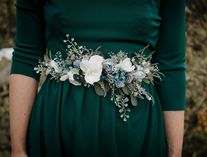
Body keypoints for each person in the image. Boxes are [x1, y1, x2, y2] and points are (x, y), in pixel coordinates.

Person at [9, 0, 186, 157]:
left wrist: (174, 152)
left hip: (137, 129)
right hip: (58, 125)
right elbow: (27, 55)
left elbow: (170, 65)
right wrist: (18, 150)